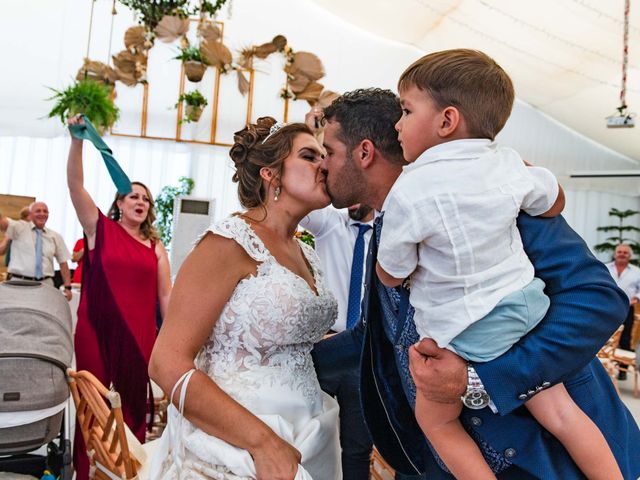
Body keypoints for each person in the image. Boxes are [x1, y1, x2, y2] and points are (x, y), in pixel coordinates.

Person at [315, 87, 640, 479]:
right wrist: (280, 362)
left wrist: (478, 380)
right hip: (437, 462)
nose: (321, 165)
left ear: (364, 153)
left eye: (327, 152)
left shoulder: (490, 200)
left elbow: (599, 300)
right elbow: (379, 335)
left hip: (546, 457)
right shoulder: (386, 228)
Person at [148, 117, 342, 479]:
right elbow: (166, 362)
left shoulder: (306, 253)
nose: (324, 165)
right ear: (272, 175)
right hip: (239, 442)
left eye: (324, 156)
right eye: (309, 156)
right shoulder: (228, 242)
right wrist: (263, 443)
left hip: (311, 432)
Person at [66, 115, 172, 479]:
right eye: (133, 195)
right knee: (94, 407)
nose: (140, 201)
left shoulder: (156, 247)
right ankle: (87, 471)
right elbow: (75, 185)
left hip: (139, 336)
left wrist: (174, 342)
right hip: (95, 329)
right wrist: (77, 141)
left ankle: (130, 472)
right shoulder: (99, 229)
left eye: (145, 198)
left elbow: (165, 297)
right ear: (120, 203)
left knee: (132, 409)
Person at [301, 203, 375, 480]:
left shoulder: (388, 232)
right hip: (323, 348)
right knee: (311, 438)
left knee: (357, 447)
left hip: (364, 354)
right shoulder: (329, 223)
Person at [0, 202, 72, 300]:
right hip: (19, 283)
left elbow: (63, 262)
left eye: (45, 211)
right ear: (30, 214)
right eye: (38, 211)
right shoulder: (18, 228)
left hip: (46, 285)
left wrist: (68, 287)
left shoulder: (55, 236)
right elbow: (2, 222)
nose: (42, 213)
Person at [606, 243, 640, 378]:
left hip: (627, 308)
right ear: (615, 254)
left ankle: (622, 371)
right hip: (606, 307)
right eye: (619, 251)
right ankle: (602, 365)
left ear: (630, 256)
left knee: (625, 338)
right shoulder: (605, 268)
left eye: (625, 252)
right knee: (602, 335)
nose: (622, 254)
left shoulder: (637, 271)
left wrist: (636, 299)